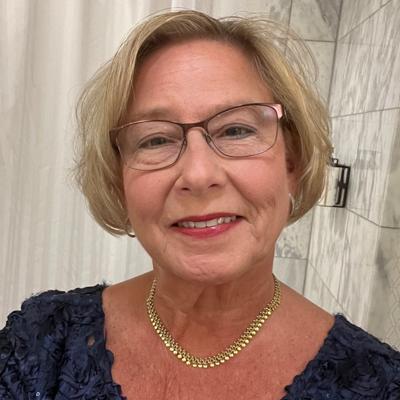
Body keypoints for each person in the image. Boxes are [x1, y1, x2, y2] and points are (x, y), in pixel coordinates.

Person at [1, 9, 399, 400]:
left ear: (291, 162)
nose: (198, 174)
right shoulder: (40, 344)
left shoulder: (378, 383)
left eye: (236, 130)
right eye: (156, 139)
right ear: (118, 179)